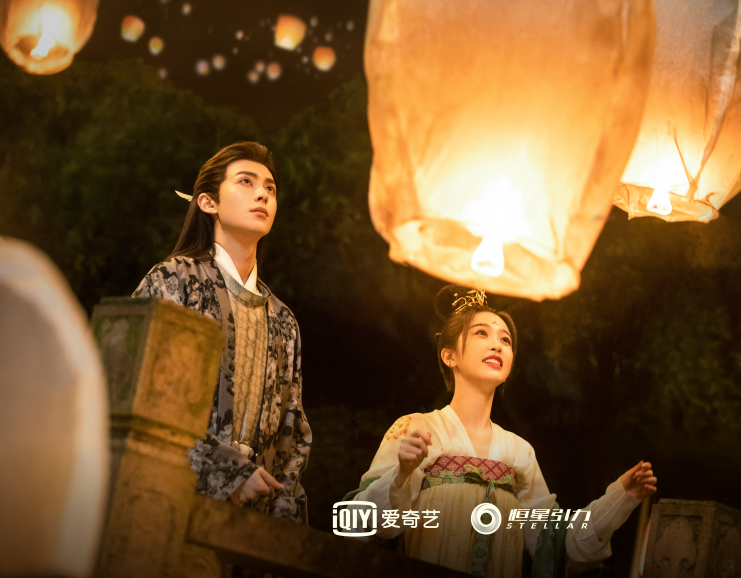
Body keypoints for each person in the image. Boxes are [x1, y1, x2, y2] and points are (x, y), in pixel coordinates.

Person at [346, 286, 656, 577]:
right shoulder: (416, 428)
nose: (497, 344)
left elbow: (555, 544)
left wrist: (619, 498)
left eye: (505, 340)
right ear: (449, 355)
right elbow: (355, 524)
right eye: (481, 333)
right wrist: (401, 474)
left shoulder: (520, 452)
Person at [132, 141, 312, 523]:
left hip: (254, 524)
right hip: (167, 503)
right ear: (208, 202)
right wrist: (228, 474)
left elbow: (293, 434)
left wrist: (282, 514)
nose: (262, 193)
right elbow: (145, 394)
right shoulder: (174, 281)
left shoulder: (284, 322)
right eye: (246, 182)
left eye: (270, 187)